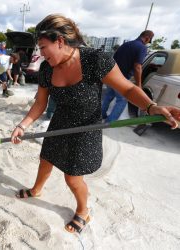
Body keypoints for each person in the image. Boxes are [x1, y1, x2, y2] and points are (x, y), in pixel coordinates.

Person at [10, 14, 180, 234]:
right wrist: (22, 125)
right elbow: (40, 103)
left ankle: (83, 211)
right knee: (46, 159)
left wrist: (151, 107)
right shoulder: (47, 69)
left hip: (87, 127)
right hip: (60, 122)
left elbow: (127, 88)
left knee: (72, 177)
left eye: (43, 47)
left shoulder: (94, 60)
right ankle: (37, 189)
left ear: (60, 41)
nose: (40, 54)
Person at [102, 30, 154, 122]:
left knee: (108, 96)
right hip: (122, 78)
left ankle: (100, 115)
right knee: (122, 100)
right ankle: (110, 122)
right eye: (148, 41)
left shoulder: (125, 44)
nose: (147, 43)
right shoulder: (142, 48)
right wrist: (139, 85)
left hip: (111, 75)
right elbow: (138, 67)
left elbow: (113, 59)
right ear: (147, 38)